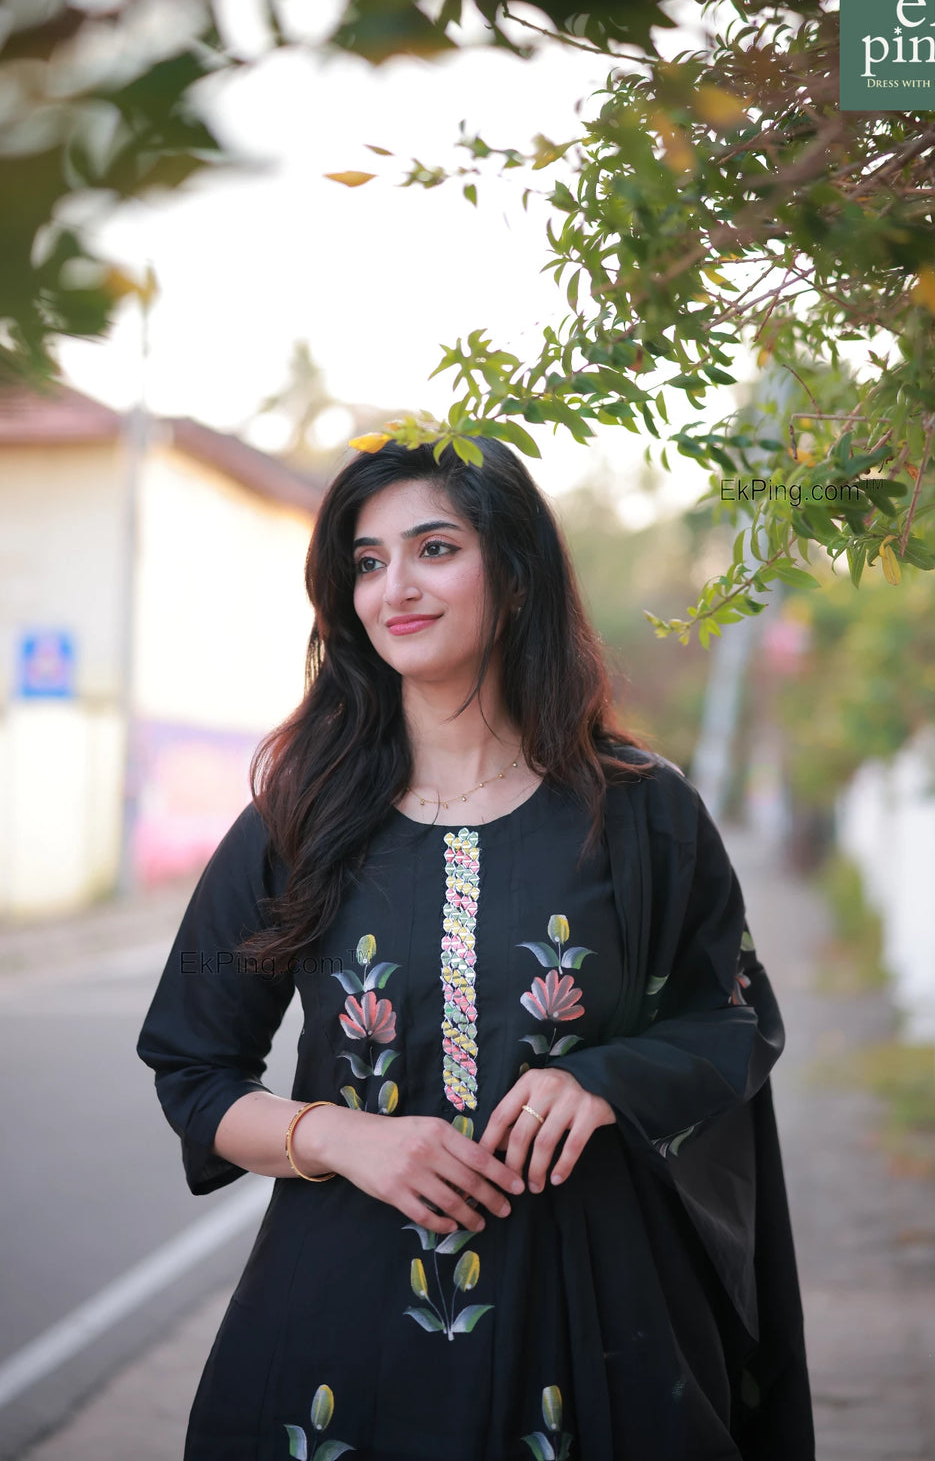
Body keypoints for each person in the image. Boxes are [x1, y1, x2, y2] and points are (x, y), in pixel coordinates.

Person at [136, 436, 815, 1461]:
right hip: (339, 1331)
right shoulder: (300, 817)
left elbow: (732, 1018)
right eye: (366, 562)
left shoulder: (639, 813)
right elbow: (192, 1070)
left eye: (434, 548)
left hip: (590, 1323)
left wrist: (607, 1077)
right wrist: (344, 1135)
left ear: (516, 571)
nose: (393, 586)